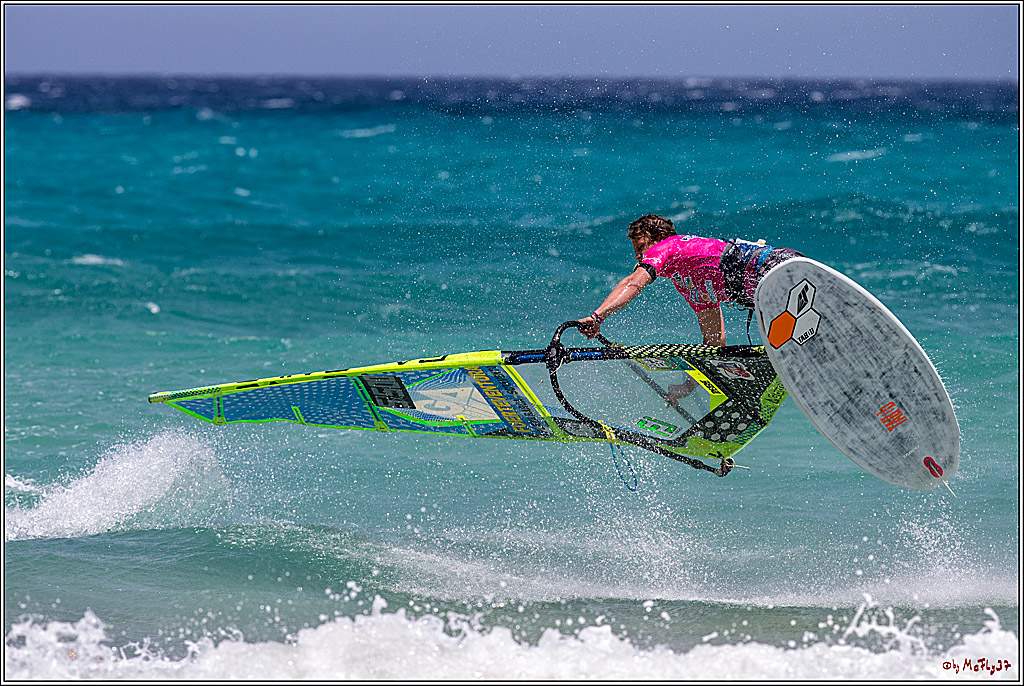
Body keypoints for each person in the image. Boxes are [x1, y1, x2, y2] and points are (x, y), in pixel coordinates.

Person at [577, 213, 803, 347]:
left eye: (640, 248)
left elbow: (633, 282)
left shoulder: (668, 245)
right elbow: (714, 341)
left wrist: (598, 316)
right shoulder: (688, 283)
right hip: (769, 297)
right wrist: (690, 385)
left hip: (776, 266)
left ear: (657, 240)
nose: (638, 256)